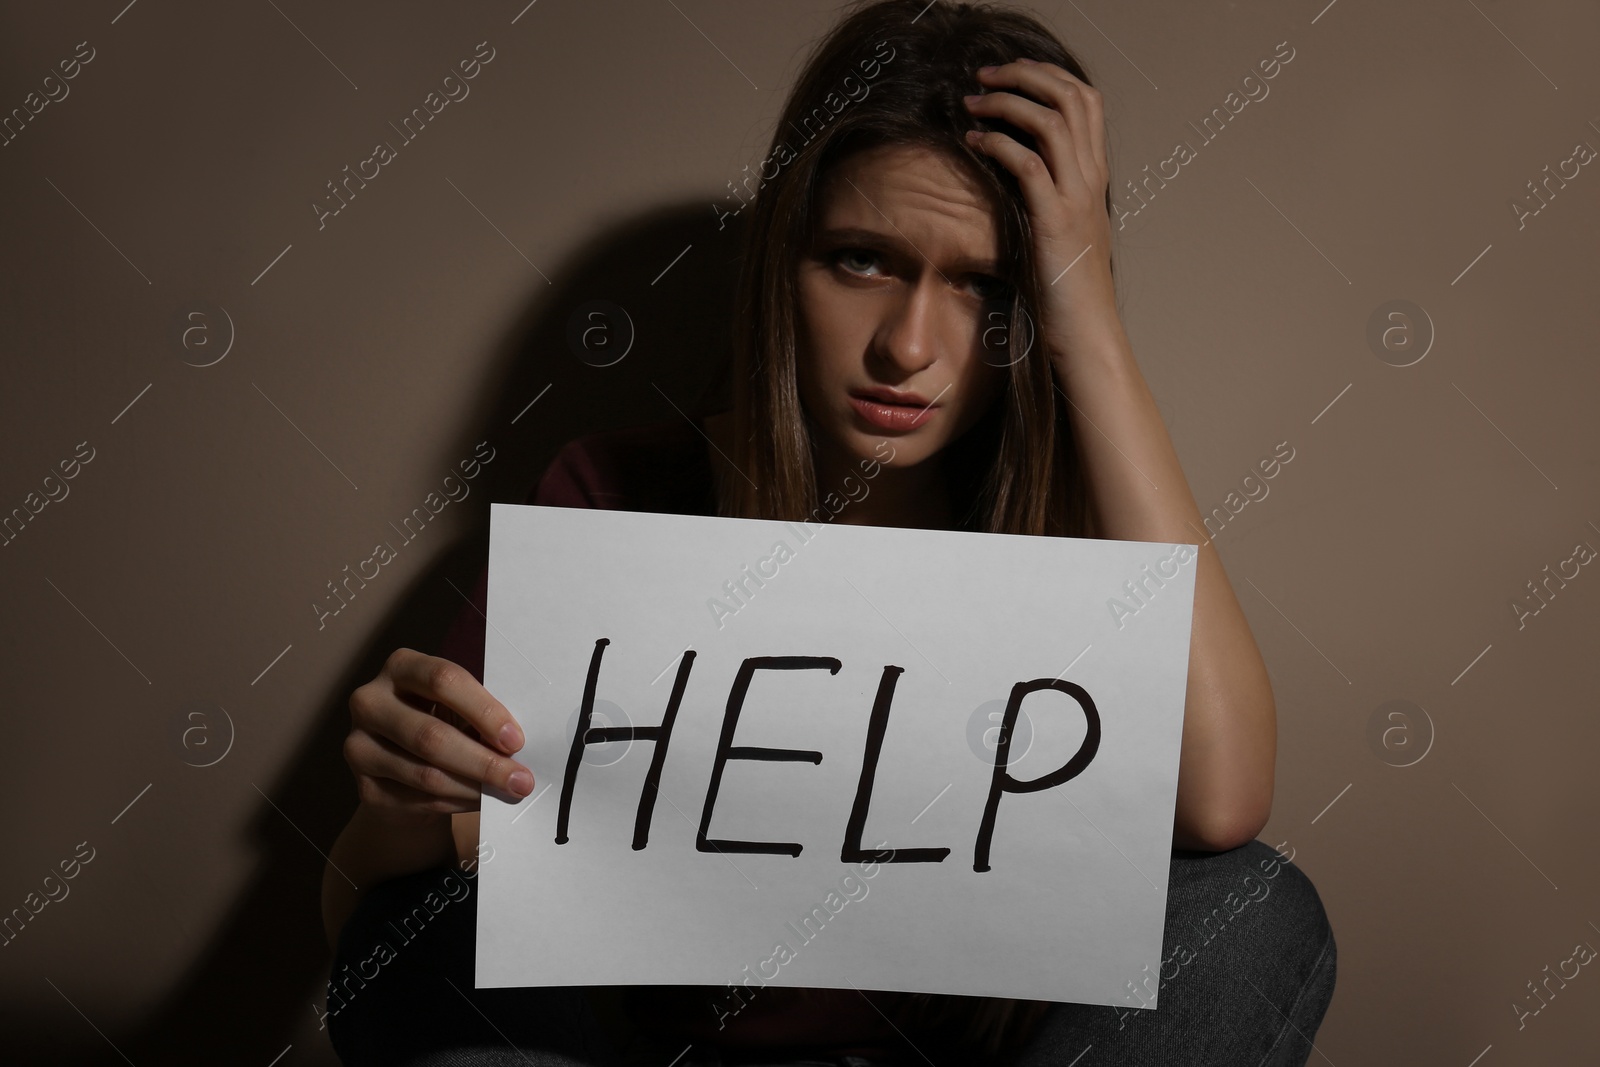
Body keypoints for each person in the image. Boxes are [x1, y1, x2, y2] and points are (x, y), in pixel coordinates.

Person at [319, 2, 1336, 1064]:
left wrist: (1083, 302)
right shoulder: (622, 495)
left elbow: (1221, 805)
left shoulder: (1085, 536)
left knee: (1255, 902)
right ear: (782, 262)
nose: (908, 346)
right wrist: (401, 806)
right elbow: (372, 907)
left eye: (986, 286)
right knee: (419, 915)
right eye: (860, 260)